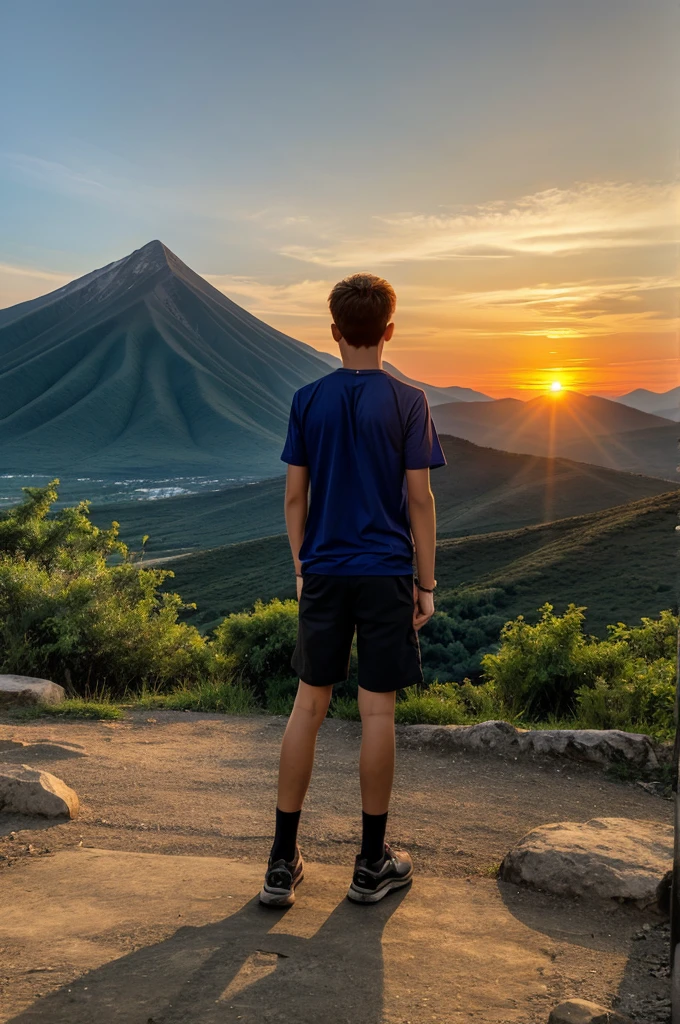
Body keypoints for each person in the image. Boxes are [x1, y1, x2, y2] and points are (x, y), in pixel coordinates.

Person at [259, 273, 445, 907]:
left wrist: (302, 566)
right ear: (389, 330)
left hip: (326, 570)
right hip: (387, 570)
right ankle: (371, 864)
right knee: (377, 712)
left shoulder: (307, 399)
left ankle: (281, 863)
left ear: (334, 331)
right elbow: (419, 499)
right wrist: (425, 584)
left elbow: (294, 495)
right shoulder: (409, 401)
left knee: (307, 707)